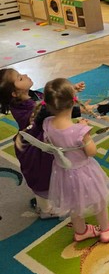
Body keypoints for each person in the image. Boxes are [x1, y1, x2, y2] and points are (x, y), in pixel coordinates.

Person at [40, 78, 109, 243]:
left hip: (63, 172)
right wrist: (86, 134)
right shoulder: (79, 130)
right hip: (84, 172)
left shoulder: (47, 123)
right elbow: (91, 152)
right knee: (99, 199)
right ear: (73, 102)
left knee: (73, 203)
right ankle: (106, 230)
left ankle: (81, 231)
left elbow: (49, 142)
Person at [0, 68, 85, 219]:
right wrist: (81, 110)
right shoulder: (27, 108)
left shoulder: (29, 96)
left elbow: (51, 100)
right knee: (43, 177)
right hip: (36, 150)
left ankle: (48, 201)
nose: (25, 75)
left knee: (51, 174)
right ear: (14, 93)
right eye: (20, 78)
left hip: (40, 143)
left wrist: (70, 90)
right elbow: (54, 111)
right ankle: (46, 210)